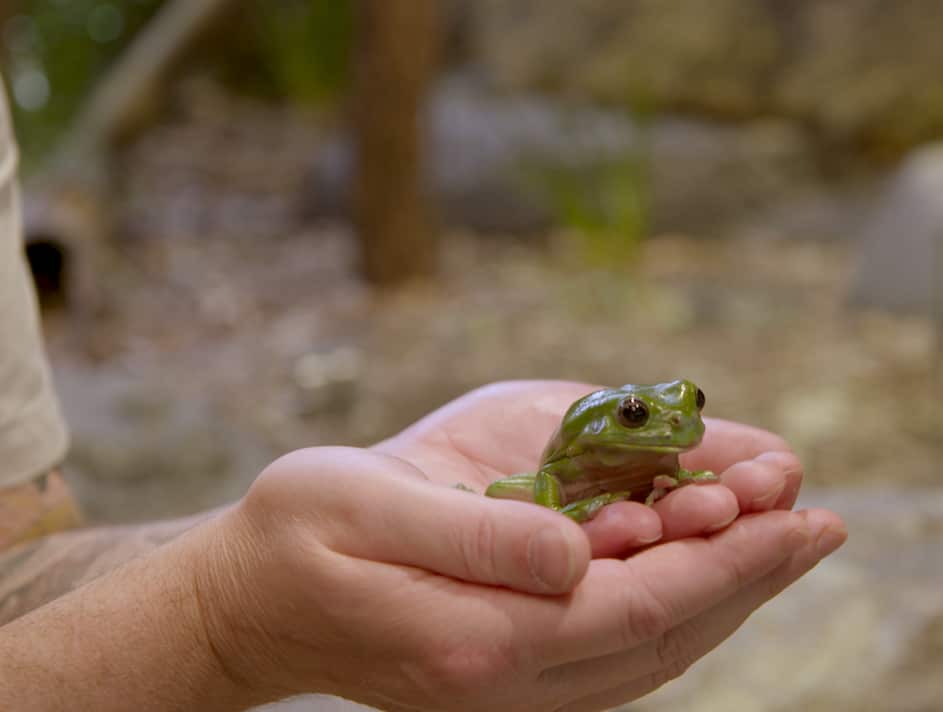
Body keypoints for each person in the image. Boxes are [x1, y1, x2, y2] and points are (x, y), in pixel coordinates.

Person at [0, 80, 846, 710]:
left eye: (684, 403)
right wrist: (219, 623)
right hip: (561, 477)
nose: (676, 420)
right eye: (648, 412)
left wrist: (274, 551)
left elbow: (17, 554)